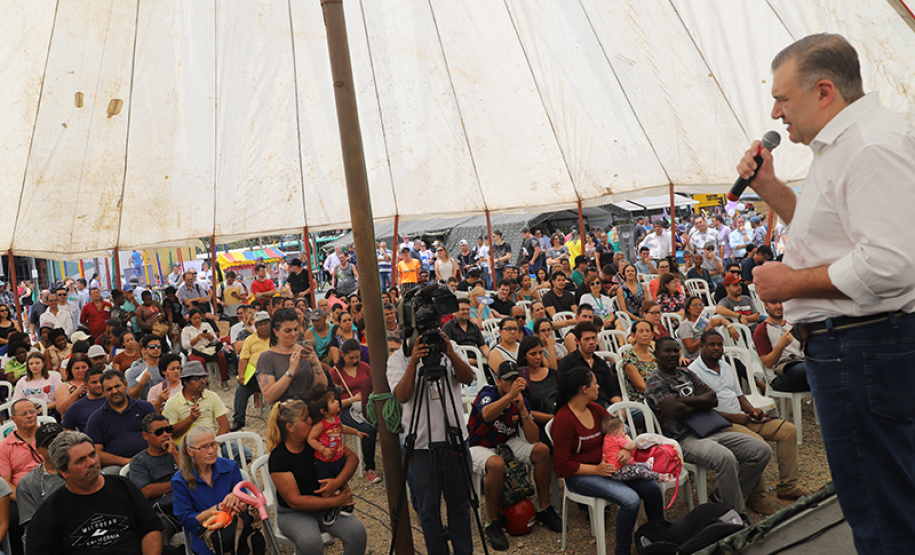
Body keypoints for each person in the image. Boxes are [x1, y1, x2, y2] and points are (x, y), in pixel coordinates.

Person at [736, 35, 915, 548]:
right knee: (881, 498)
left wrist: (789, 282)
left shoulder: (870, 146)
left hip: (863, 348)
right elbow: (832, 237)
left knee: (881, 510)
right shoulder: (845, 146)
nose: (775, 111)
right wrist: (772, 189)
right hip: (857, 349)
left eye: (782, 98)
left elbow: (891, 263)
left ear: (823, 91)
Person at [645, 336, 771, 514]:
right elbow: (674, 412)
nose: (673, 354)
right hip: (684, 439)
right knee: (726, 458)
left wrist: (685, 400)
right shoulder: (655, 381)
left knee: (761, 450)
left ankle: (720, 498)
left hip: (710, 428)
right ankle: (735, 515)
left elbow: (712, 399)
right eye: (667, 351)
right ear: (656, 354)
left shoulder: (686, 373)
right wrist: (698, 400)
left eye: (675, 350)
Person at [689, 332, 809, 511]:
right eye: (711, 345)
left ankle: (787, 487)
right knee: (757, 445)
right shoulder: (693, 372)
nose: (717, 348)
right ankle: (756, 497)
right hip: (721, 423)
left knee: (788, 431)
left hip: (742, 416)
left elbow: (738, 394)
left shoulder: (726, 366)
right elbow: (702, 410)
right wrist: (733, 417)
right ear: (702, 347)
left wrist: (752, 410)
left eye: (720, 345)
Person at [552, 367, 664, 555]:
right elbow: (562, 464)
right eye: (595, 383)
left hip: (613, 467)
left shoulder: (595, 409)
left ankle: (658, 540)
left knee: (653, 488)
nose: (599, 386)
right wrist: (597, 470)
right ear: (584, 389)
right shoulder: (564, 419)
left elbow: (620, 431)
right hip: (582, 474)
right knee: (630, 500)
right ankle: (622, 551)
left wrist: (625, 451)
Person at [387, 332, 475, 555]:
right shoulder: (398, 358)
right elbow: (402, 396)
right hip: (421, 446)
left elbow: (467, 378)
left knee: (461, 505)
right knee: (428, 510)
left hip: (455, 441)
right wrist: (414, 362)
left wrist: (451, 354)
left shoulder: (451, 346)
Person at [466, 361, 562, 550]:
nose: (512, 383)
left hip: (506, 442)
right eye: (507, 380)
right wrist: (509, 396)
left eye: (515, 379)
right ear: (498, 381)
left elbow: (533, 438)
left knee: (542, 451)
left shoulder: (521, 399)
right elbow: (487, 414)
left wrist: (524, 411)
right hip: (478, 444)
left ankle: (544, 508)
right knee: (496, 464)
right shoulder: (488, 392)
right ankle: (492, 522)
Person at [26, 431, 163, 554]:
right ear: (64, 471)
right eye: (81, 460)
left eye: (92, 454)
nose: (91, 462)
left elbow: (151, 529)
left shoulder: (123, 486)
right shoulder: (50, 512)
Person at [266, 399, 366, 554]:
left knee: (357, 533)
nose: (311, 421)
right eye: (305, 419)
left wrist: (337, 482)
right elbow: (295, 501)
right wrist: (337, 500)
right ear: (290, 427)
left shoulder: (317, 442)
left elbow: (352, 458)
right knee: (310, 541)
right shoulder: (279, 458)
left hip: (325, 506)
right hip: (293, 513)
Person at [172, 426, 264, 555]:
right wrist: (218, 508)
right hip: (207, 537)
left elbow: (246, 501)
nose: (211, 451)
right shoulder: (180, 481)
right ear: (190, 451)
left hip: (238, 529)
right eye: (204, 447)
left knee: (255, 541)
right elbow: (187, 520)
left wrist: (236, 496)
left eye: (213, 444)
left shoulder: (230, 467)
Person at [85, 369, 158, 473]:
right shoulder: (96, 418)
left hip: (151, 459)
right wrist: (127, 461)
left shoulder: (145, 408)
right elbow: (96, 453)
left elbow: (161, 435)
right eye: (109, 389)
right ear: (103, 391)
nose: (114, 391)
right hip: (117, 466)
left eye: (117, 386)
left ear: (125, 384)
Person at [330, 339, 380, 483]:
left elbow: (374, 383)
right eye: (351, 357)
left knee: (382, 422)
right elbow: (332, 402)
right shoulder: (335, 373)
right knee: (368, 429)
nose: (355, 360)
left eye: (357, 356)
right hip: (345, 409)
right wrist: (352, 400)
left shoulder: (364, 367)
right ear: (342, 354)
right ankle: (370, 468)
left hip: (366, 405)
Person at [257, 308, 328, 404]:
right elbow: (269, 397)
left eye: (296, 329)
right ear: (276, 332)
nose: (293, 334)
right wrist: (290, 371)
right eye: (288, 331)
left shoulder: (304, 351)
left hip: (309, 408)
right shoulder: (266, 358)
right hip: (286, 411)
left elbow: (322, 387)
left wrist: (316, 364)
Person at [130, 414, 181, 541]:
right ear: (145, 435)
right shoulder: (139, 461)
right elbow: (146, 491)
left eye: (168, 429)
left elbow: (193, 477)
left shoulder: (178, 451)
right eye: (159, 432)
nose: (166, 435)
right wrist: (179, 482)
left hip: (188, 502)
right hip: (161, 511)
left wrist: (175, 454)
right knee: (159, 536)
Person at [15, 422, 66, 539]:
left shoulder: (83, 469)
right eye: (48, 446)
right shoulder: (28, 483)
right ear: (38, 450)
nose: (56, 449)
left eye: (60, 443)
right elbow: (32, 529)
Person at [557, 321, 622, 408]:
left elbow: (613, 392)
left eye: (593, 338)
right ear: (577, 341)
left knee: (639, 414)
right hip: (582, 409)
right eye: (586, 339)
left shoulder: (601, 363)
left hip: (607, 406)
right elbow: (563, 393)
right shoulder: (567, 363)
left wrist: (619, 408)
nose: (591, 342)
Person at [164, 361, 229, 444]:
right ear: (186, 382)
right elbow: (172, 434)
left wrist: (216, 444)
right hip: (189, 447)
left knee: (244, 453)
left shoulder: (211, 396)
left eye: (204, 378)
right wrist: (190, 419)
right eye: (198, 379)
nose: (203, 382)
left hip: (213, 441)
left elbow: (225, 424)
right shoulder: (172, 402)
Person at [752, 301, 810, 392]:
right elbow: (768, 363)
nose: (779, 306)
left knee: (828, 367)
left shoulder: (793, 325)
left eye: (781, 303)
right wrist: (780, 346)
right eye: (774, 303)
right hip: (778, 375)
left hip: (799, 365)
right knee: (814, 368)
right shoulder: (761, 330)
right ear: (766, 306)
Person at [601, 416, 671, 482]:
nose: (625, 432)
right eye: (622, 430)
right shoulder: (617, 439)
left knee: (636, 465)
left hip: (615, 470)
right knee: (639, 471)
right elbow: (632, 445)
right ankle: (658, 477)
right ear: (615, 432)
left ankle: (647, 465)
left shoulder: (607, 439)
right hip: (619, 471)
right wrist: (627, 437)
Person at [677, 296, 739, 362]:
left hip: (713, 355)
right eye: (695, 305)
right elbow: (690, 349)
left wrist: (730, 327)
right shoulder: (686, 325)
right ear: (688, 309)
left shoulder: (704, 322)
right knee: (734, 363)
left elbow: (721, 320)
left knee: (736, 362)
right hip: (698, 358)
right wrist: (705, 333)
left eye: (701, 305)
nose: (698, 307)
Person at [182, 308, 229, 391]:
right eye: (194, 318)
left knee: (221, 357)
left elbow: (215, 339)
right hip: (196, 351)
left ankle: (224, 380)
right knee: (200, 362)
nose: (197, 320)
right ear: (190, 319)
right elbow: (185, 345)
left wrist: (208, 336)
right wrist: (197, 338)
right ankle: (204, 384)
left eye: (199, 318)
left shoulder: (206, 325)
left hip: (209, 349)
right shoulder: (186, 329)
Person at [442, 298, 491, 364]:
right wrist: (465, 360)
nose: (466, 312)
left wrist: (492, 356)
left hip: (476, 359)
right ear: (456, 311)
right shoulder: (448, 327)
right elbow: (448, 350)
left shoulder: (474, 327)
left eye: (468, 309)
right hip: (457, 363)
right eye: (462, 309)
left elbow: (483, 346)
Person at [60, 363, 106, 431]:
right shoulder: (76, 408)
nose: (99, 385)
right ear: (85, 384)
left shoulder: (116, 401)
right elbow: (66, 430)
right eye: (94, 382)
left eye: (101, 381)